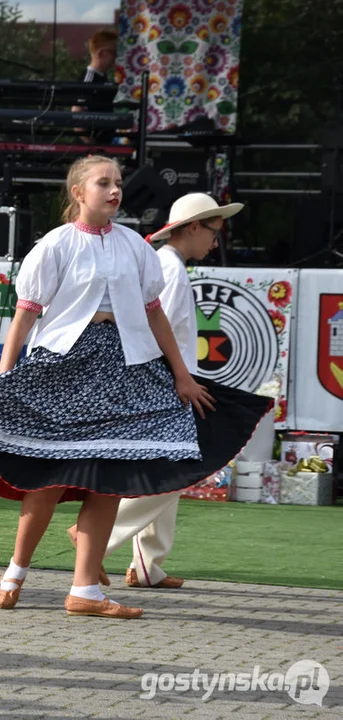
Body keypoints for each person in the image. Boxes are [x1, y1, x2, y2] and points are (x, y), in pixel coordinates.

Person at [0, 155, 271, 619]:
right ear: (78, 193)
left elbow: (153, 313)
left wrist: (182, 376)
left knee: (110, 479)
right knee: (47, 478)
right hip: (64, 365)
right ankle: (15, 572)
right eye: (103, 182)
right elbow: (25, 313)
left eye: (118, 183)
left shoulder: (135, 246)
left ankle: (84, 591)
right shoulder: (55, 245)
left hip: (124, 366)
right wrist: (6, 375)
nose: (114, 190)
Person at [67, 192, 245, 590]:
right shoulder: (170, 268)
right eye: (214, 231)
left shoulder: (167, 264)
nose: (216, 241)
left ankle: (147, 565)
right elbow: (151, 327)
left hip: (169, 380)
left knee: (174, 470)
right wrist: (176, 380)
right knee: (178, 472)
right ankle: (97, 540)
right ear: (194, 227)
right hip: (169, 383)